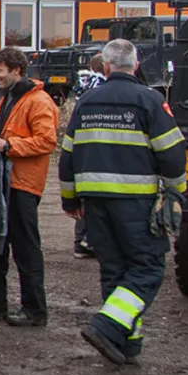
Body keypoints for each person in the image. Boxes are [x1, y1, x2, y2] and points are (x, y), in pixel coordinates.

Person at [59, 39, 187, 365]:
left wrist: (69, 200)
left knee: (115, 270)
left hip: (94, 202)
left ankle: (127, 343)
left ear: (105, 67)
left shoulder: (86, 102)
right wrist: (175, 192)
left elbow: (67, 155)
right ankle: (108, 325)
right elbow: (172, 153)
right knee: (147, 268)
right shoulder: (150, 100)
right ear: (137, 65)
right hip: (135, 201)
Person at [0, 47, 58, 327]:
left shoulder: (37, 101)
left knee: (25, 248)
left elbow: (47, 140)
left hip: (22, 185)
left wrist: (9, 146)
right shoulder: (11, 99)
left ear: (16, 69)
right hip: (4, 183)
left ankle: (34, 310)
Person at [71, 54, 107, 259]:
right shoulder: (101, 88)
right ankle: (89, 241)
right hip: (99, 148)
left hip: (82, 147)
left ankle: (81, 242)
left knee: (85, 195)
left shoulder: (84, 88)